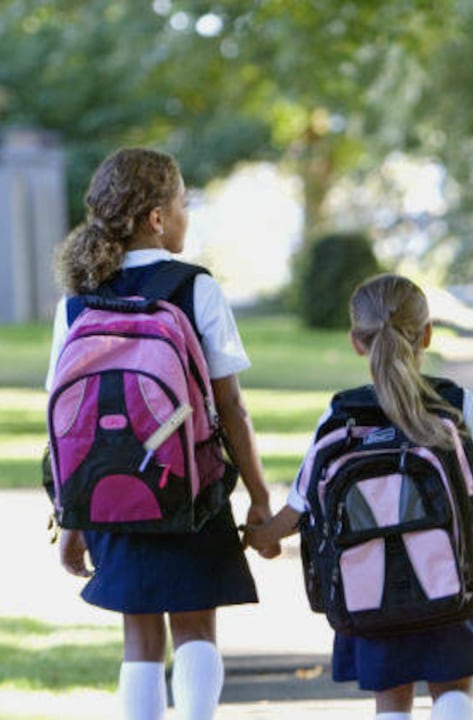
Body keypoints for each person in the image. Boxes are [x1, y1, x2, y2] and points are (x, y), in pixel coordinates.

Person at [245, 273, 473, 720]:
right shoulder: (453, 404)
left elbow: (298, 509)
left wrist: (258, 538)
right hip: (446, 582)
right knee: (452, 690)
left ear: (356, 341)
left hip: (369, 594)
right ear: (427, 334)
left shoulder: (341, 415)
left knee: (391, 700)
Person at [47, 148, 273, 720]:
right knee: (195, 625)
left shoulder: (76, 303)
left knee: (139, 636)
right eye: (182, 204)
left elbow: (64, 425)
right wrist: (262, 499)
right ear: (156, 216)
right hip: (190, 486)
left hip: (107, 491)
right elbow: (232, 407)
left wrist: (71, 519)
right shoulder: (194, 288)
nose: (184, 216)